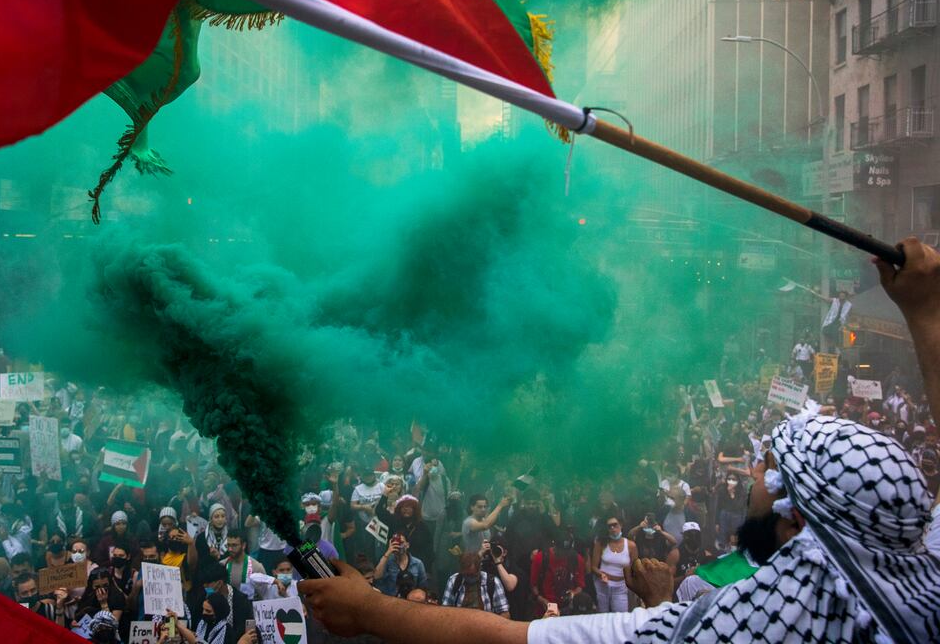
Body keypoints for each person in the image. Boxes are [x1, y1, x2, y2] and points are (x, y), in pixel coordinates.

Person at [299, 238, 940, 644]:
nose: (750, 471)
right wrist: (925, 311)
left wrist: (370, 611)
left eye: (765, 468)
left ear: (796, 516)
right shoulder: (922, 572)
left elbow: (504, 639)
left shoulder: (745, 623)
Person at [440, 552, 509, 618]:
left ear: (479, 569)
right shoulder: (453, 581)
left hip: (486, 623)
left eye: (474, 575)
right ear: (461, 570)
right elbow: (446, 610)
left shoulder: (493, 582)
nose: (470, 578)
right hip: (460, 623)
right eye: (467, 575)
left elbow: (504, 612)